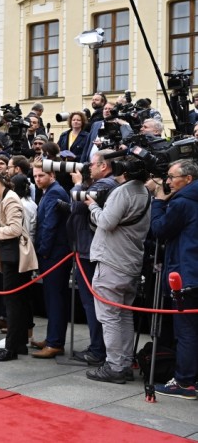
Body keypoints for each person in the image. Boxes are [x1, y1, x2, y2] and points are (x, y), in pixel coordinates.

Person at [85, 157, 151, 384]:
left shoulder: (123, 192)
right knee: (124, 314)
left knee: (110, 317)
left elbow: (106, 222)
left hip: (112, 262)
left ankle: (115, 366)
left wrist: (92, 206)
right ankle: (124, 363)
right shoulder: (144, 191)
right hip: (130, 262)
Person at [148, 159, 198, 399]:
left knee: (186, 331)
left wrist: (158, 202)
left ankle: (184, 382)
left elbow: (159, 229)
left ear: (188, 179)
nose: (167, 181)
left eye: (171, 177)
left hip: (186, 275)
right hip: (191, 272)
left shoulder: (182, 202)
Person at [0, 170, 38, 361]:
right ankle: (18, 345)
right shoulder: (5, 198)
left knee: (13, 303)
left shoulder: (10, 199)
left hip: (15, 257)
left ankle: (12, 347)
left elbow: (15, 229)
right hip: (10, 255)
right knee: (17, 302)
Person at [68, 151, 118, 366]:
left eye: (92, 164)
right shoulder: (107, 183)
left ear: (104, 166)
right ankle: (99, 348)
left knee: (92, 302)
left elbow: (76, 206)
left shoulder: (105, 184)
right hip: (91, 249)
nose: (89, 167)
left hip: (89, 251)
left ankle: (98, 350)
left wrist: (78, 184)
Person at [30, 162, 72, 358]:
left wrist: (43, 252)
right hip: (53, 253)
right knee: (52, 298)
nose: (37, 179)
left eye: (41, 175)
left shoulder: (55, 192)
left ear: (52, 175)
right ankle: (52, 338)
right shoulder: (50, 191)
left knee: (55, 299)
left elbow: (50, 225)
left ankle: (55, 342)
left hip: (54, 254)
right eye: (35, 176)